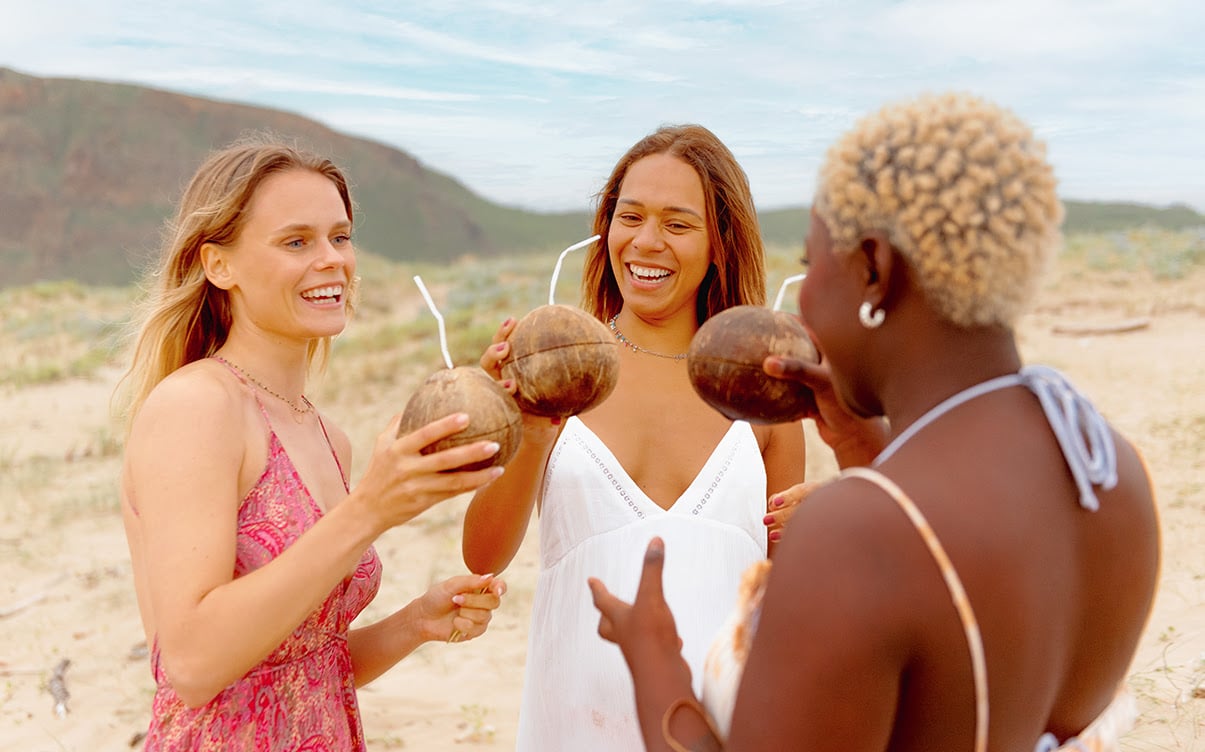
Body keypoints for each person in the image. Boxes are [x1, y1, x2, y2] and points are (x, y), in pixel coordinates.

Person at [590, 92, 1162, 751]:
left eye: (810, 265)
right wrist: (869, 447)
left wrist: (654, 659)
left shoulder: (855, 534)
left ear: (873, 269)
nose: (801, 298)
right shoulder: (1107, 469)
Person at [113, 136, 509, 751]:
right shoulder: (197, 407)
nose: (332, 261)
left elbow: (303, 670)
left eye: (340, 237)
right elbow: (191, 665)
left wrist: (415, 624)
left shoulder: (327, 435)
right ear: (219, 266)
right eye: (296, 241)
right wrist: (369, 509)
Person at [461, 124, 826, 750]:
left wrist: (822, 525)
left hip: (722, 726)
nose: (645, 242)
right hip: (572, 722)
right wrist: (525, 418)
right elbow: (483, 557)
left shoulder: (760, 392)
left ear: (720, 242)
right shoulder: (559, 372)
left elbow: (787, 598)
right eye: (629, 217)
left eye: (677, 224)